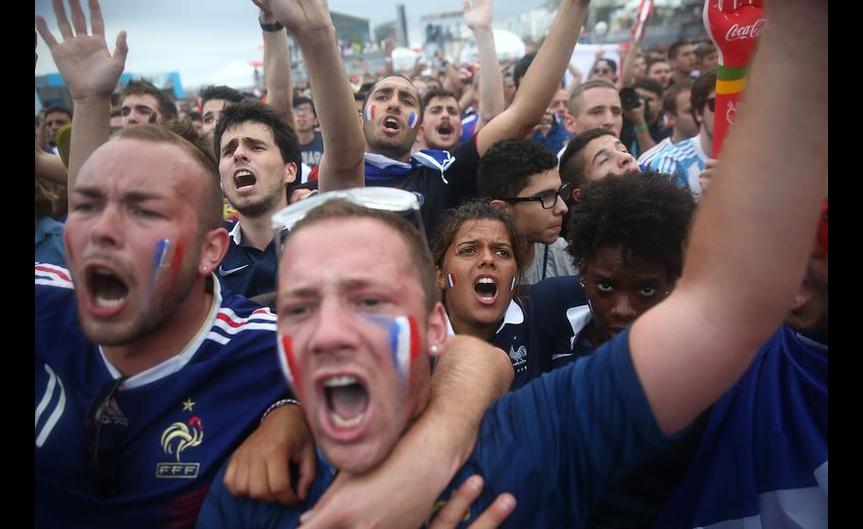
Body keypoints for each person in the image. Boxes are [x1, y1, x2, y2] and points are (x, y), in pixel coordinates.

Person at [198, 0, 826, 525]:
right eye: (300, 306)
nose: (331, 330)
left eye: (371, 301)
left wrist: (794, 25)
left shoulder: (540, 437)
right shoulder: (248, 494)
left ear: (437, 327)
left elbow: (731, 300)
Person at [431, 199, 584, 388]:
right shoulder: (412, 341)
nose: (488, 259)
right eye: (469, 250)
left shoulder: (547, 305)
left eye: (502, 252)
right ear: (440, 276)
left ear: (516, 273)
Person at [477, 139, 578, 284]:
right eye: (545, 197)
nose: (563, 208)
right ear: (500, 210)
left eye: (560, 192)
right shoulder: (469, 270)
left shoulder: (564, 255)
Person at [643, 69, 716, 198]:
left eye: (739, 104)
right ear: (698, 113)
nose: (730, 112)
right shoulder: (672, 163)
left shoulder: (760, 160)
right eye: (716, 105)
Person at [637, 79, 697, 168]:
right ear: (671, 117)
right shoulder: (650, 162)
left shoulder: (722, 155)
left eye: (701, 108)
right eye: (690, 111)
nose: (699, 115)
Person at [292, 96, 323, 168]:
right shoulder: (286, 145)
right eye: (296, 110)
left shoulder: (325, 144)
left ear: (316, 119)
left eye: (307, 110)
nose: (301, 114)